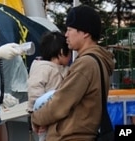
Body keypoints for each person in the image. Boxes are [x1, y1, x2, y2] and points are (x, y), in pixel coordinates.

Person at [31, 5, 115, 141]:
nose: (66, 35)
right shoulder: (97, 61)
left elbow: (61, 103)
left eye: (70, 29)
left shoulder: (86, 64)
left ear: (85, 33)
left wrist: (36, 118)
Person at [27, 31, 71, 141]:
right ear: (61, 52)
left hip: (58, 117)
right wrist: (38, 117)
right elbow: (35, 91)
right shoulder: (42, 68)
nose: (70, 56)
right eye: (69, 52)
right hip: (44, 118)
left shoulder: (64, 69)